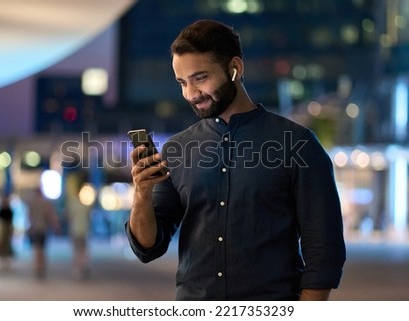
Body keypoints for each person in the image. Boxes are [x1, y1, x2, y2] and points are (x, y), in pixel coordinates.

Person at [126, 19, 346, 301]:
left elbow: (324, 251)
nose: (191, 94)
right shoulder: (176, 150)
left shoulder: (298, 144)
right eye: (182, 82)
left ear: (235, 69)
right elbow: (148, 247)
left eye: (200, 78)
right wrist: (142, 193)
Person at [26, 187, 60, 278]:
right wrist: (55, 226)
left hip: (35, 229)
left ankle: (38, 266)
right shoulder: (46, 203)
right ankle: (41, 266)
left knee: (37, 248)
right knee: (42, 249)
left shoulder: (32, 203)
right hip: (43, 229)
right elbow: (51, 216)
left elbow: (29, 216)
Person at [65, 181, 92, 280]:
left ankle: (77, 270)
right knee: (83, 250)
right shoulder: (85, 205)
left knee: (76, 250)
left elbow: (68, 216)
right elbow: (89, 217)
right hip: (84, 230)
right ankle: (82, 267)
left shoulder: (73, 204)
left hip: (75, 230)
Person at [0, 194, 14, 269]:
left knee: (6, 244)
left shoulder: (9, 210)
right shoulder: (1, 210)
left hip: (6, 228)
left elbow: (10, 221)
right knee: (1, 243)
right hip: (2, 228)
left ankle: (6, 259)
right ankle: (2, 259)